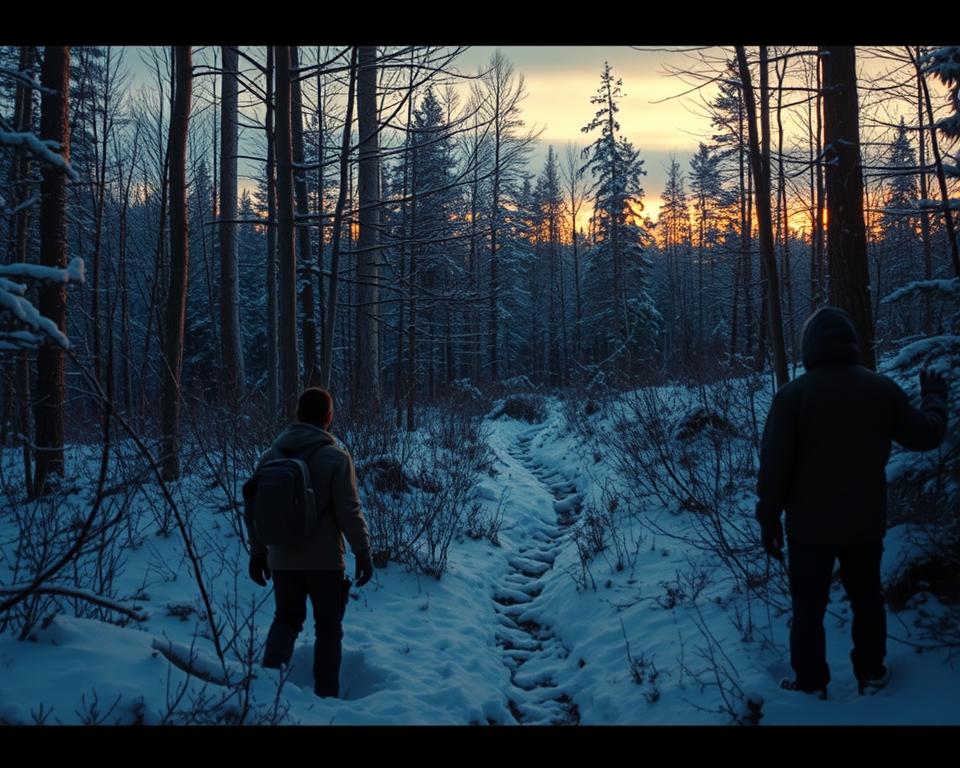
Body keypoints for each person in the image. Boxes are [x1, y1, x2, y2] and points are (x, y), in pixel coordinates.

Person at [756, 306, 949, 697]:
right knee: (867, 599)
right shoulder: (880, 390)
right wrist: (934, 400)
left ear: (810, 347)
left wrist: (768, 519)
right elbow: (927, 436)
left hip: (808, 528)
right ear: (851, 344)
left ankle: (811, 682)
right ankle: (871, 673)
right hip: (864, 523)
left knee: (807, 606)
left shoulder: (792, 396)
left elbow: (774, 467)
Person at [247, 387, 374, 698]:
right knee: (328, 629)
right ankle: (326, 697)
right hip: (325, 562)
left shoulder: (269, 457)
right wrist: (363, 551)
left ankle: (265, 695)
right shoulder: (335, 457)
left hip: (282, 559)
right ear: (328, 417)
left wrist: (258, 552)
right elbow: (349, 510)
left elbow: (255, 510)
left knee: (285, 620)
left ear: (298, 414)